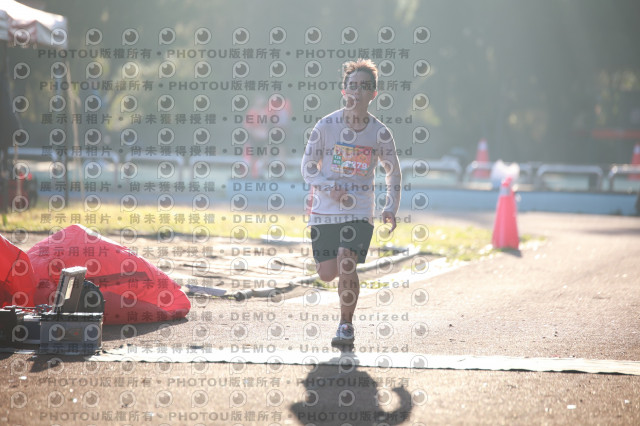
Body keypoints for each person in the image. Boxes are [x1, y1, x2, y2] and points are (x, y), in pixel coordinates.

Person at [301, 59, 402, 346]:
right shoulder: (326, 126)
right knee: (327, 273)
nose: (357, 91)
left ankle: (345, 325)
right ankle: (338, 282)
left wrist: (390, 206)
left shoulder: (380, 133)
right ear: (344, 90)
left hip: (359, 209)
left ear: (373, 94)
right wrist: (328, 187)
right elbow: (307, 167)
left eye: (364, 87)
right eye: (352, 86)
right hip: (325, 210)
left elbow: (393, 171)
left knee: (347, 259)